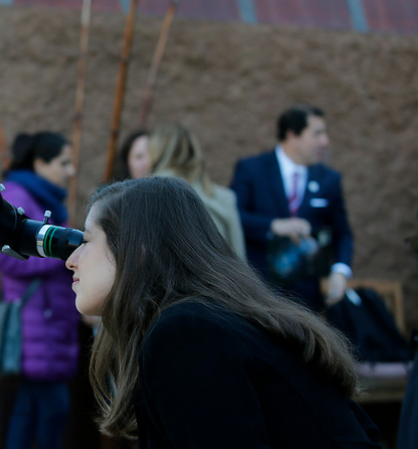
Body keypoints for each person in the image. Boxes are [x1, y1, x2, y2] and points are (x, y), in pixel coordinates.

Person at [65, 177, 381, 448]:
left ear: (138, 251)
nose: (72, 259)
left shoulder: (186, 333)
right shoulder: (204, 321)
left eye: (88, 240)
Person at [0, 131, 79, 449]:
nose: (70, 171)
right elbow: (2, 254)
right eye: (63, 163)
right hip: (35, 318)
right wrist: (63, 254)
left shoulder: (39, 196)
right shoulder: (17, 195)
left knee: (29, 410)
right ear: (39, 163)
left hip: (48, 318)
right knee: (52, 409)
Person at [229, 104, 354, 312]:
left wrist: (340, 271)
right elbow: (232, 217)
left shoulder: (329, 179)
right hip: (257, 292)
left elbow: (343, 234)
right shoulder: (251, 169)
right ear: (293, 135)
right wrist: (273, 225)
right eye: (317, 134)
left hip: (306, 301)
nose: (325, 141)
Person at [148, 122, 245, 258]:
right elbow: (239, 258)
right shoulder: (225, 197)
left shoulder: (146, 192)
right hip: (218, 277)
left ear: (155, 151)